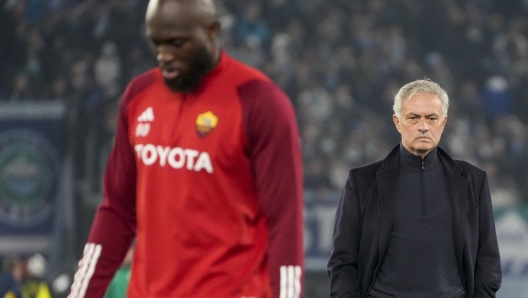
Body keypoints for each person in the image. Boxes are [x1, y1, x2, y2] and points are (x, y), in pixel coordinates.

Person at [68, 0, 304, 297]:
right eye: (156, 43)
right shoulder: (140, 96)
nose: (164, 56)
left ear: (211, 31)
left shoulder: (260, 103)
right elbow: (117, 210)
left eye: (177, 44)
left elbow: (285, 222)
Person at [327, 79, 501, 297]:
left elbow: (488, 261)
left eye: (431, 118)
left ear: (443, 122)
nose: (423, 126)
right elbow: (343, 261)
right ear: (397, 122)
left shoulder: (473, 181)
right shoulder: (362, 181)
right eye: (413, 118)